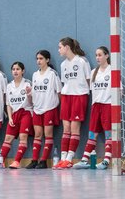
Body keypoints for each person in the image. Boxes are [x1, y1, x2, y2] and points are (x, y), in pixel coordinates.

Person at [53, 37, 91, 169]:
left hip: (79, 96)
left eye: (60, 47)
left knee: (75, 129)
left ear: (67, 47)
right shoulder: (63, 65)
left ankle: (70, 158)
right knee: (66, 129)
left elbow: (88, 81)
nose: (59, 50)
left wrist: (83, 93)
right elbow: (65, 83)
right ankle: (63, 158)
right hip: (66, 96)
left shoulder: (82, 61)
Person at [73, 46, 112, 170]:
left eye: (100, 55)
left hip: (108, 105)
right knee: (92, 134)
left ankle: (106, 160)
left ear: (107, 56)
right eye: (96, 55)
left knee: (109, 134)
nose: (97, 58)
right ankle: (85, 159)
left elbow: (119, 91)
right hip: (96, 106)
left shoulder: (112, 71)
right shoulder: (94, 71)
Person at [0, 62, 33, 169]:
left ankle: (17, 161)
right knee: (8, 138)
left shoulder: (28, 83)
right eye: (13, 69)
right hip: (14, 114)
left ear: (23, 71)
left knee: (23, 137)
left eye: (18, 69)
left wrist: (29, 95)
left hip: (26, 112)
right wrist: (10, 117)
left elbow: (32, 103)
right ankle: (1, 162)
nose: (15, 71)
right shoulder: (9, 85)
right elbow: (8, 104)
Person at [25, 50, 62, 169]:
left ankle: (44, 160)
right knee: (38, 134)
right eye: (37, 58)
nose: (38, 61)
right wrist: (30, 95)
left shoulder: (52, 74)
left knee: (48, 134)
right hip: (37, 108)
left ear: (47, 60)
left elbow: (60, 92)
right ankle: (34, 160)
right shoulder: (35, 75)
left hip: (49, 108)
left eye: (41, 58)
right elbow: (34, 92)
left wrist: (57, 106)